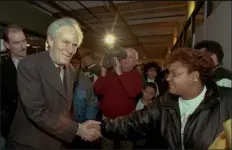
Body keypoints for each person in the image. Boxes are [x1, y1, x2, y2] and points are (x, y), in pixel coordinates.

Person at [97, 48, 232, 149]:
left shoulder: (226, 101)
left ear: (195, 76)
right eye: (168, 73)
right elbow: (135, 122)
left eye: (175, 74)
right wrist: (100, 127)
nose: (168, 78)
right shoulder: (165, 101)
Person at [7, 17, 101, 149]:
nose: (70, 50)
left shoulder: (71, 70)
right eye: (65, 42)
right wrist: (78, 129)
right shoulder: (29, 64)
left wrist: (84, 125)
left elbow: (63, 109)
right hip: (30, 144)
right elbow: (36, 111)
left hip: (59, 141)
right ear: (50, 40)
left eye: (74, 45)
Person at [94, 48, 142, 150]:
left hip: (126, 121)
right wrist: (103, 72)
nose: (126, 60)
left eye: (130, 57)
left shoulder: (137, 76)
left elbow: (132, 93)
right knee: (106, 147)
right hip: (107, 120)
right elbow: (97, 91)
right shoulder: (110, 74)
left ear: (135, 62)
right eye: (123, 57)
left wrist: (119, 72)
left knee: (126, 146)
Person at [0, 24, 27, 140]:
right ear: (7, 45)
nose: (23, 46)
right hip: (12, 128)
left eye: (24, 41)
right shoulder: (2, 68)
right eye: (16, 43)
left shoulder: (40, 65)